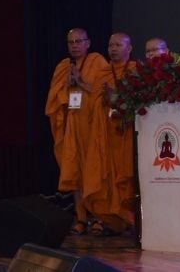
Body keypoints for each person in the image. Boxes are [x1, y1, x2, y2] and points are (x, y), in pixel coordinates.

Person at [45, 28, 109, 235]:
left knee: (95, 172)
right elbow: (54, 101)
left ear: (88, 43)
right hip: (72, 126)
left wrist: (80, 82)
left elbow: (104, 93)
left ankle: (100, 217)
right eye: (71, 42)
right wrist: (67, 86)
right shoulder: (64, 66)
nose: (75, 45)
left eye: (79, 41)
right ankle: (81, 218)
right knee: (74, 172)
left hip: (93, 126)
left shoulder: (98, 62)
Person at [82, 32, 137, 236]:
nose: (113, 49)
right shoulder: (102, 73)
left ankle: (132, 221)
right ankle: (115, 222)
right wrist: (105, 99)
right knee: (105, 178)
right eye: (110, 45)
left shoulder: (136, 71)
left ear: (129, 48)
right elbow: (92, 106)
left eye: (118, 45)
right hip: (105, 135)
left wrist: (117, 98)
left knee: (126, 179)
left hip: (126, 134)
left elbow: (138, 103)